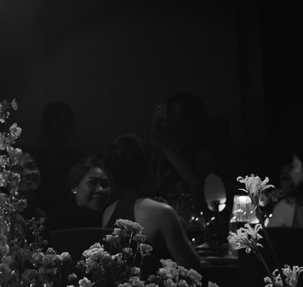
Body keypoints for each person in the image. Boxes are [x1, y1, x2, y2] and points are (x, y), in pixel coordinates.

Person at [101, 132, 204, 270]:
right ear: (150, 170)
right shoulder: (162, 213)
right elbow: (191, 266)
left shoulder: (108, 212)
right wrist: (179, 228)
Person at [31, 103, 84, 230]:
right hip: (45, 220)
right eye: (57, 122)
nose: (63, 127)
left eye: (66, 122)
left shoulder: (80, 159)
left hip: (75, 220)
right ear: (47, 125)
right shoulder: (37, 158)